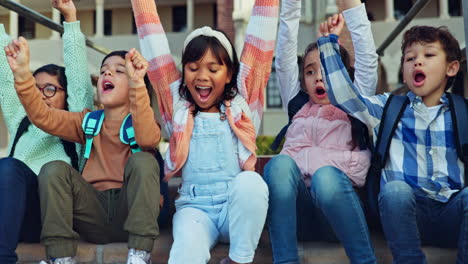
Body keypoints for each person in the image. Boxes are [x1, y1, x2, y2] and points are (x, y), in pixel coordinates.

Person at [131, 0, 279, 263]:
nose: (202, 76)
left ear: (230, 73)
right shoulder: (176, 106)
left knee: (252, 183)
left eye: (213, 69)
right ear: (183, 71)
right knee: (186, 250)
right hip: (195, 210)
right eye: (193, 68)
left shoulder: (244, 104)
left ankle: (238, 259)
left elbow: (262, 41)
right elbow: (154, 43)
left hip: (235, 211)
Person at [5, 32, 161, 264]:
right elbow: (44, 116)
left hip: (130, 212)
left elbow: (148, 140)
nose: (108, 72)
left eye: (120, 71)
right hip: (92, 212)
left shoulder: (143, 122)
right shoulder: (88, 122)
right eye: (104, 69)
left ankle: (139, 255)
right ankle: (61, 256)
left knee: (143, 161)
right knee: (54, 168)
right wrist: (21, 75)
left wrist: (138, 83)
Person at [318, 25, 467, 263]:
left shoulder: (463, 112)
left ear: (452, 67)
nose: (417, 62)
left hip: (452, 213)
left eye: (428, 55)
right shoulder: (388, 108)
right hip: (405, 215)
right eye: (410, 58)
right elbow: (346, 98)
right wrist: (328, 44)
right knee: (395, 191)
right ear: (403, 70)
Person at [263, 0, 378, 263]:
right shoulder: (297, 104)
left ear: (343, 76)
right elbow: (284, 58)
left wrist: (351, 8)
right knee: (279, 165)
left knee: (325, 177)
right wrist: (291, 5)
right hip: (299, 214)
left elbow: (368, 59)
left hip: (338, 215)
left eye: (327, 69)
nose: (318, 77)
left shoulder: (355, 106)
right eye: (310, 71)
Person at [0, 0, 93, 263]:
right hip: (16, 214)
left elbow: (78, 79)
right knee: (8, 167)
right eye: (36, 87)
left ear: (67, 97)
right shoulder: (20, 119)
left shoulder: (75, 124)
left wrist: (70, 18)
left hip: (53, 217)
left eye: (50, 89)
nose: (41, 95)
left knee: (8, 167)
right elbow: (6, 73)